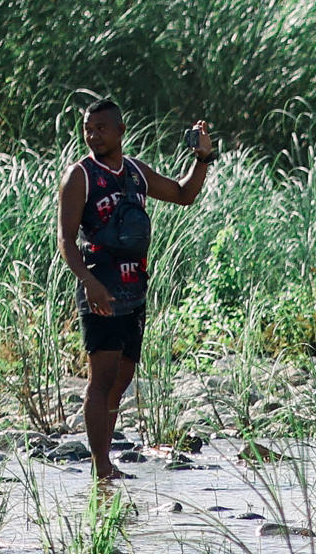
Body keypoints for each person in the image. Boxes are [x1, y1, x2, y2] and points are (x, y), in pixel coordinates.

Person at [58, 99, 215, 483]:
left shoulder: (135, 173)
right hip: (101, 289)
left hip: (135, 289)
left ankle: (106, 463)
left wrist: (203, 159)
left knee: (123, 378)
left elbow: (183, 195)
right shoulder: (80, 176)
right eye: (88, 128)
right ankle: (101, 467)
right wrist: (89, 282)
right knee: (102, 378)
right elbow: (65, 240)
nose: (93, 135)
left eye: (100, 128)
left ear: (120, 131)